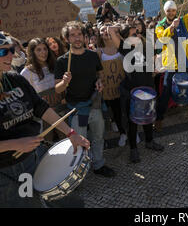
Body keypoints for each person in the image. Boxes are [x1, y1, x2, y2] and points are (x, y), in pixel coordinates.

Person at [0, 30, 90, 207]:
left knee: (68, 202)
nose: (11, 54)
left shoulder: (15, 79)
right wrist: (14, 144)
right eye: (2, 52)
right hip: (5, 169)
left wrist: (70, 133)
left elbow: (40, 107)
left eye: (10, 49)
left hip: (36, 156)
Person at [55, 21, 116, 177]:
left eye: (79, 34)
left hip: (94, 105)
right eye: (72, 35)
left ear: (84, 36)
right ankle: (79, 170)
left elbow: (99, 74)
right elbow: (57, 89)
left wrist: (99, 82)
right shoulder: (62, 61)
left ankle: (99, 164)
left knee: (98, 137)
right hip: (76, 109)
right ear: (66, 39)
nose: (77, 38)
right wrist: (64, 82)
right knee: (79, 141)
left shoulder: (92, 55)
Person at [105, 25, 164, 163]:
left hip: (148, 89)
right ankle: (133, 149)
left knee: (148, 118)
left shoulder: (147, 48)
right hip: (133, 93)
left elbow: (152, 69)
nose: (136, 36)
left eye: (137, 33)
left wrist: (155, 70)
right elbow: (110, 31)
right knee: (133, 122)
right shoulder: (125, 49)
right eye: (132, 35)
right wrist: (117, 27)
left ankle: (149, 142)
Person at [155, 0, 188, 128]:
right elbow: (161, 38)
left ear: (176, 11)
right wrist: (171, 28)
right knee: (166, 91)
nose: (171, 13)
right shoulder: (160, 25)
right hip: (172, 63)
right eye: (169, 11)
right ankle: (159, 118)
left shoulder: (183, 21)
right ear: (165, 12)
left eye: (173, 10)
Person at [97, 24, 128, 147]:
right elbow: (98, 71)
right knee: (116, 111)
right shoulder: (99, 51)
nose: (105, 31)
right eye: (102, 30)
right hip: (109, 89)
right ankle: (123, 133)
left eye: (107, 29)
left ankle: (130, 131)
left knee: (125, 110)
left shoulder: (121, 46)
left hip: (123, 85)